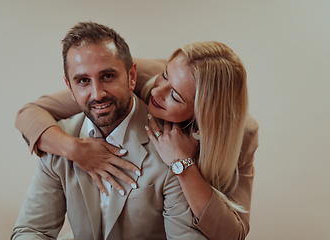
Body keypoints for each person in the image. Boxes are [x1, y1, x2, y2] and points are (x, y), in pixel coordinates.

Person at [15, 38, 259, 239]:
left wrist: (183, 166)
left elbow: (231, 233)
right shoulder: (132, 78)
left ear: (202, 113)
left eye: (174, 95)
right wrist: (74, 149)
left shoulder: (240, 136)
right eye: (165, 76)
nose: (156, 91)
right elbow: (29, 113)